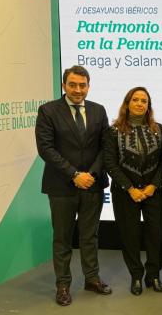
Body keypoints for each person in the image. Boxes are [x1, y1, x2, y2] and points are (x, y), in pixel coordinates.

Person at [35, 65, 112, 306]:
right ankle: (63, 285)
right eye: (73, 85)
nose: (78, 90)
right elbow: (46, 148)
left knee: (90, 236)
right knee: (63, 238)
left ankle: (92, 279)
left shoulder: (99, 111)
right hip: (61, 186)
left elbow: (105, 147)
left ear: (88, 86)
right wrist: (74, 174)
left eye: (82, 85)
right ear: (64, 85)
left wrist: (92, 173)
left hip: (93, 184)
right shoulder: (48, 111)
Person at [103, 87, 162, 296]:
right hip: (125, 193)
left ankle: (154, 276)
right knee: (129, 236)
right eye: (136, 100)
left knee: (156, 235)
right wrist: (130, 188)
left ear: (149, 106)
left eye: (144, 101)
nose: (140, 104)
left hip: (153, 192)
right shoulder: (112, 131)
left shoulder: (160, 129)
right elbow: (110, 163)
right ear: (127, 103)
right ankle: (136, 277)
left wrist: (153, 186)